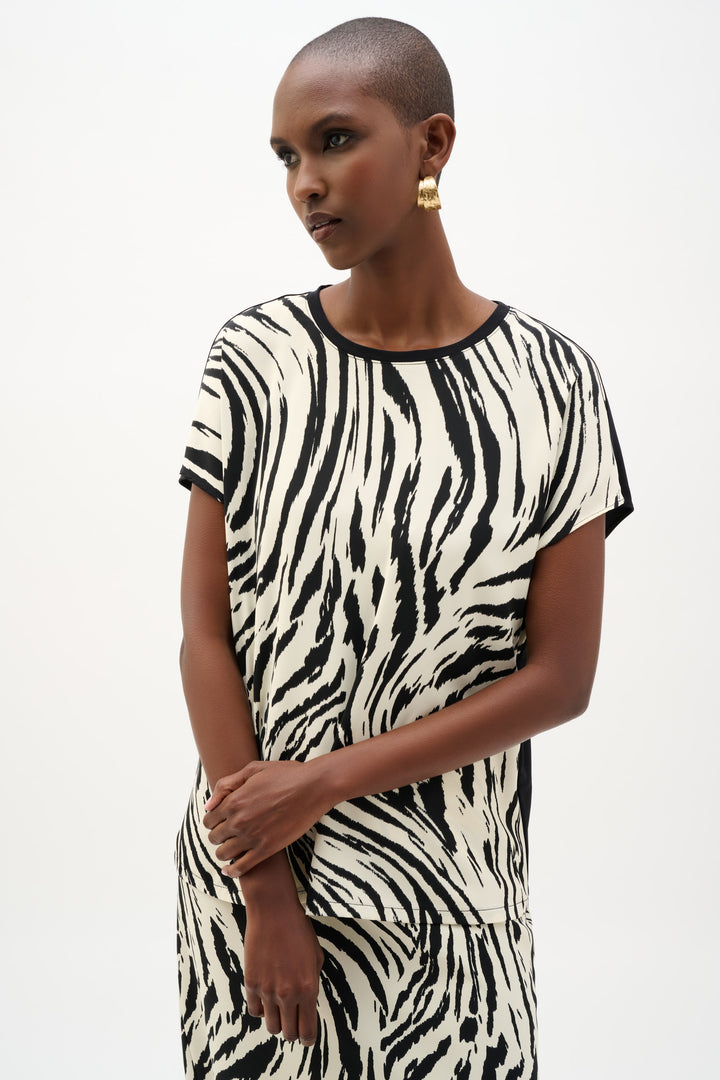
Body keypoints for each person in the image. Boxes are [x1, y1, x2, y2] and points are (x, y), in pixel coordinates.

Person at [175, 16, 633, 1080]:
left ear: (433, 146)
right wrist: (266, 887)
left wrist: (321, 782)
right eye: (287, 157)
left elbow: (561, 680)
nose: (305, 184)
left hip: (452, 911)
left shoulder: (553, 385)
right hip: (253, 903)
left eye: (335, 141)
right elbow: (204, 632)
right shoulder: (254, 360)